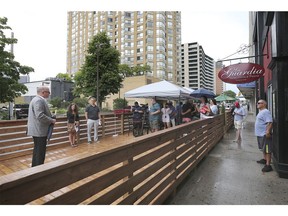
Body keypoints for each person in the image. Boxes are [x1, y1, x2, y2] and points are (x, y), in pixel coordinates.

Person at [27, 86, 56, 167]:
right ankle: (38, 170)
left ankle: (35, 167)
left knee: (37, 150)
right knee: (40, 152)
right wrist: (51, 120)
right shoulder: (38, 100)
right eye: (48, 92)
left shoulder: (35, 100)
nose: (49, 94)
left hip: (37, 130)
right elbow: (40, 115)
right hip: (39, 130)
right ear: (43, 92)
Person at [255, 99, 273, 172]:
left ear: (264, 104)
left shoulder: (266, 112)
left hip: (264, 134)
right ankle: (265, 159)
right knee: (263, 148)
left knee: (267, 149)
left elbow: (270, 122)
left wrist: (268, 131)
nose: (257, 104)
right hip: (259, 134)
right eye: (257, 103)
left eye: (259, 103)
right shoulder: (261, 112)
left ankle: (268, 165)